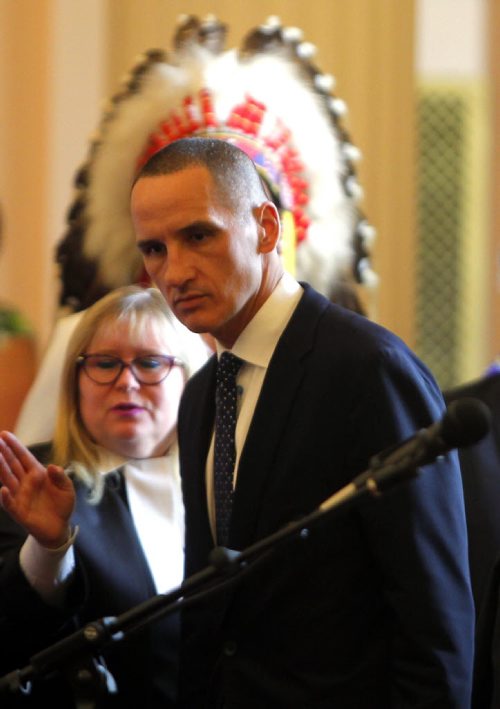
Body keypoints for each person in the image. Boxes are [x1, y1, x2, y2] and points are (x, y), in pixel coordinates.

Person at [130, 137, 475, 708]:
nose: (174, 271)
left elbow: (433, 614)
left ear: (266, 228)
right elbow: (210, 603)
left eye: (198, 235)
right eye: (153, 249)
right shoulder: (197, 397)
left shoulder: (369, 369)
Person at [0, 284, 207, 707]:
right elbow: (13, 633)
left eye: (149, 363)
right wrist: (50, 547)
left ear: (190, 378)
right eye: (105, 363)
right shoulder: (31, 479)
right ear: (75, 381)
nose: (126, 382)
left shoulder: (223, 479)